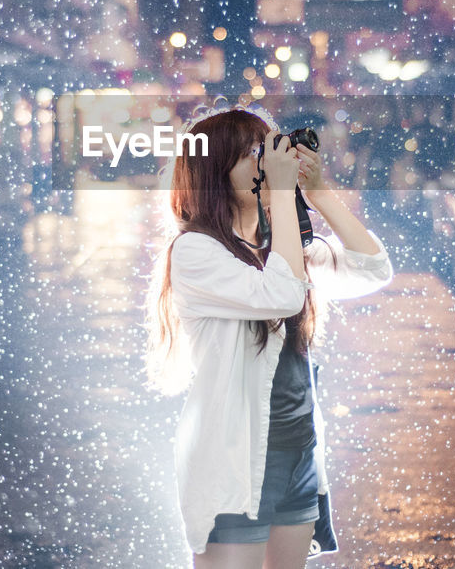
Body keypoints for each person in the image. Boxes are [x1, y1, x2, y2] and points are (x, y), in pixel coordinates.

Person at [145, 105, 394, 568]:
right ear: (215, 171)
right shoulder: (195, 250)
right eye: (252, 155)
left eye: (268, 151)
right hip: (234, 460)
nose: (266, 164)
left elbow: (373, 271)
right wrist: (282, 193)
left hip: (297, 452)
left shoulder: (281, 246)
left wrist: (317, 193)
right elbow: (280, 294)